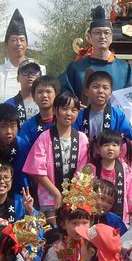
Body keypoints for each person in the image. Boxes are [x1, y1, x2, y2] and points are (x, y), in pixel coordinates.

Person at [22, 92, 90, 225]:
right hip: (49, 193)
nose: (68, 113)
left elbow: (84, 170)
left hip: (75, 194)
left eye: (73, 110)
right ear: (54, 110)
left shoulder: (82, 138)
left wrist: (71, 194)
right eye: (64, 108)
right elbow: (37, 171)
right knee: (52, 231)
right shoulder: (44, 137)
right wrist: (56, 193)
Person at [59, 5, 132, 99]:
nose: (102, 36)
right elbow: (62, 93)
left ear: (111, 38)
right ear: (89, 37)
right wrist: (74, 105)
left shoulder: (125, 69)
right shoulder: (75, 68)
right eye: (97, 33)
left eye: (106, 33)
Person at [0, 9, 44, 107]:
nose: (18, 44)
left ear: (26, 44)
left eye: (22, 40)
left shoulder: (40, 70)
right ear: (6, 45)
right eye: (14, 40)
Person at [77, 70, 132, 154]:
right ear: (86, 91)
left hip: (112, 162)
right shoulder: (80, 116)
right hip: (85, 161)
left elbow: (128, 139)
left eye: (105, 88)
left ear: (111, 93)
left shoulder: (118, 115)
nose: (100, 91)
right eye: (95, 87)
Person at [93, 129, 132, 223]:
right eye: (106, 145)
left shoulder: (125, 170)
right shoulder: (91, 169)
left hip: (120, 218)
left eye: (114, 145)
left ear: (121, 149)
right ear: (98, 149)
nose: (110, 148)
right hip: (94, 217)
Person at [2, 58, 42, 123]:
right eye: (25, 71)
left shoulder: (47, 103)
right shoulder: (8, 105)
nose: (30, 75)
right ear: (18, 78)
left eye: (34, 72)